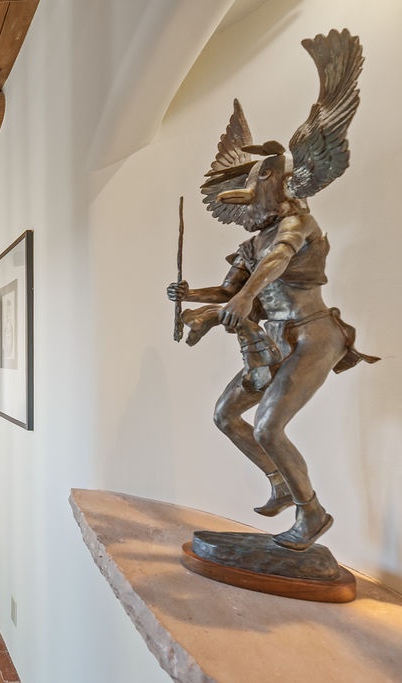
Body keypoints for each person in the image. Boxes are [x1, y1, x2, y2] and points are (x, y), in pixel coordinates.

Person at [167, 30, 376, 551]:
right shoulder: (255, 237)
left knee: (267, 426)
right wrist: (192, 294)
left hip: (313, 338)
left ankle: (313, 514)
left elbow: (275, 267)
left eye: (253, 192)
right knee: (225, 416)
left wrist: (237, 301)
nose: (244, 206)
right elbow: (232, 287)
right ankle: (282, 482)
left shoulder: (296, 224)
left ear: (275, 186)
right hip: (276, 340)